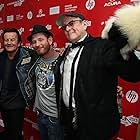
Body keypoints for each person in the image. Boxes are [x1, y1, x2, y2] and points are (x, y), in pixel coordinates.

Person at [55, 11, 140, 140]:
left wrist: (129, 45)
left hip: (95, 126)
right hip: (69, 122)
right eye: (64, 27)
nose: (67, 28)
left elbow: (133, 73)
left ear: (84, 24)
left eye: (71, 23)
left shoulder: (103, 46)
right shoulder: (66, 52)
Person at [27, 25, 64, 140]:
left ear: (50, 40)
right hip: (40, 113)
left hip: (56, 118)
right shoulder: (35, 59)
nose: (37, 44)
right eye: (34, 42)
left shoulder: (63, 60)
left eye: (40, 40)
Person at [0, 28, 38, 140]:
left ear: (19, 42)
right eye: (6, 40)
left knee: (16, 134)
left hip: (18, 104)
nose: (9, 42)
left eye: (12, 39)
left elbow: (44, 54)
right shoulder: (1, 56)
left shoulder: (29, 55)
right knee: (8, 130)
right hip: (3, 102)